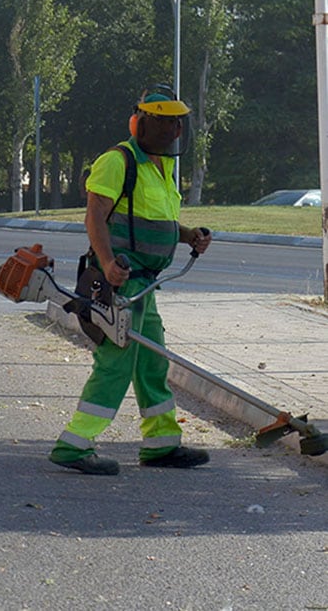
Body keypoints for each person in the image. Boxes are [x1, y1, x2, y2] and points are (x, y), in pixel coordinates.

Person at [49, 90, 213, 475]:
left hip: (145, 288)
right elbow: (95, 217)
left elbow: (154, 222)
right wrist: (107, 263)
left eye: (178, 122)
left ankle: (161, 444)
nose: (174, 129)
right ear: (141, 123)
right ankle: (74, 444)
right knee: (116, 364)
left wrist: (189, 236)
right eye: (166, 121)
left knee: (152, 362)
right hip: (121, 286)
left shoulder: (160, 167)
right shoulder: (117, 162)